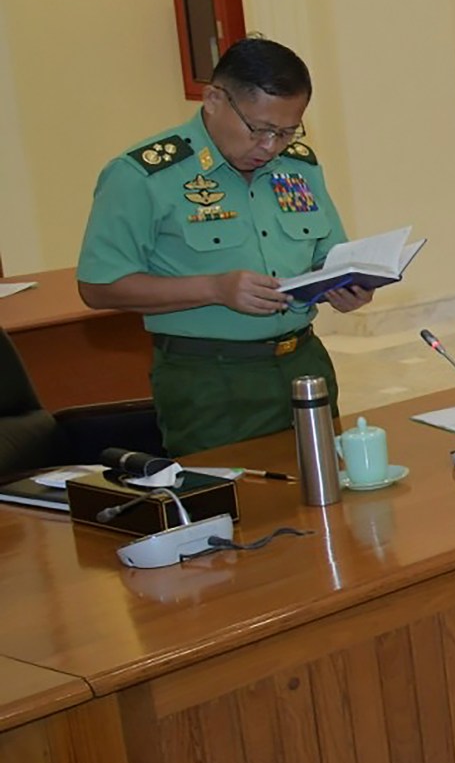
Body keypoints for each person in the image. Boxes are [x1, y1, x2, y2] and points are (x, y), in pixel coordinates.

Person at [77, 38, 373, 456]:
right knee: (233, 509)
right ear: (215, 99)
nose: (271, 146)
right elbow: (99, 286)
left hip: (304, 363)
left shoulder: (298, 167)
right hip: (209, 378)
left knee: (325, 496)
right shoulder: (143, 175)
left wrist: (345, 284)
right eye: (259, 129)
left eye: (287, 131)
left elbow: (328, 254)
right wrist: (215, 289)